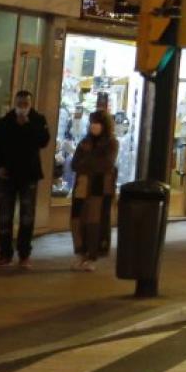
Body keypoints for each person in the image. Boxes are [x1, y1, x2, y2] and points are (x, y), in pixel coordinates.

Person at [0, 90, 50, 268]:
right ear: (15, 103)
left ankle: (24, 254)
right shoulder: (4, 122)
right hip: (7, 177)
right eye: (19, 103)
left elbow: (43, 141)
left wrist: (27, 125)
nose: (22, 107)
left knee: (27, 217)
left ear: (31, 103)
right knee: (5, 216)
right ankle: (5, 254)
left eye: (25, 103)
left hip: (28, 176)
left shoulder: (38, 120)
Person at [68, 112, 117, 271]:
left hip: (99, 188)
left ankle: (92, 256)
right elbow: (74, 164)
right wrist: (89, 162)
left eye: (97, 122)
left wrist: (87, 159)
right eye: (92, 122)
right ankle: (81, 253)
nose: (93, 125)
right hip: (81, 186)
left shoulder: (111, 143)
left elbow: (106, 165)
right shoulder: (84, 142)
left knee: (94, 222)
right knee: (77, 220)